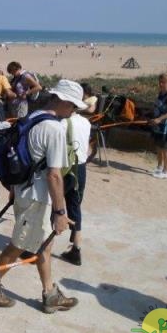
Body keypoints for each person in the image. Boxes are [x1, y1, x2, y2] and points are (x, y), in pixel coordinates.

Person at [0, 79, 86, 313]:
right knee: (18, 245)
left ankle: (50, 295)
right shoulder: (55, 128)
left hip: (25, 191)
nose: (74, 111)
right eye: (74, 106)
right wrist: (60, 213)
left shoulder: (34, 117)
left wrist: (14, 191)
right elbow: (54, 176)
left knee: (44, 244)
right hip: (36, 198)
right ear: (63, 101)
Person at [60, 111, 91, 266]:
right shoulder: (86, 122)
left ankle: (37, 245)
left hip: (66, 168)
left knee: (51, 203)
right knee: (75, 206)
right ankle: (76, 249)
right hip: (81, 167)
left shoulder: (63, 123)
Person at [149, 72, 167, 179]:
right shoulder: (161, 92)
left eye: (163, 82)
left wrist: (159, 119)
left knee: (166, 149)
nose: (161, 84)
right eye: (160, 82)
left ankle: (166, 171)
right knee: (159, 147)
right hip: (159, 126)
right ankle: (159, 167)